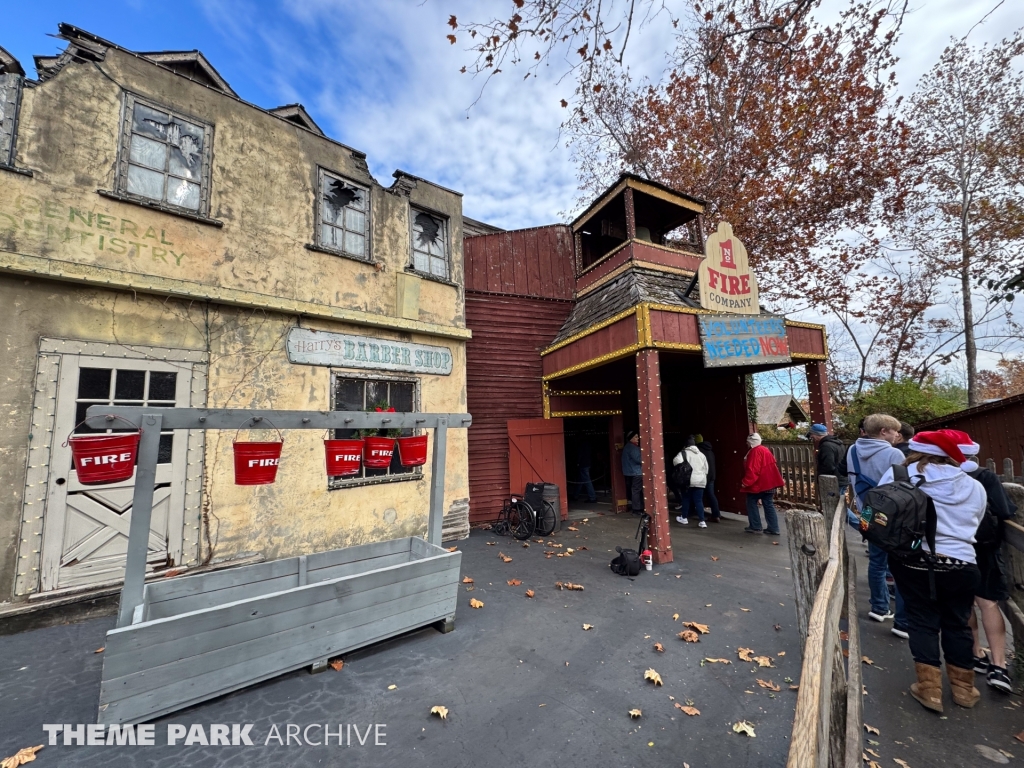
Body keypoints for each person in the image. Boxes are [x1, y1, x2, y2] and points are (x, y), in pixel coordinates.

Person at [877, 430, 987, 713]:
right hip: (960, 561)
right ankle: (963, 689)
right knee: (957, 621)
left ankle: (930, 689)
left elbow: (879, 511)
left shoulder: (899, 475)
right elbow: (976, 522)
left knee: (921, 619)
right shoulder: (973, 485)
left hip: (912, 559)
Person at [954, 433, 1016, 693]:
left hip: (955, 546)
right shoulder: (984, 477)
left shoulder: (945, 477)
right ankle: (998, 665)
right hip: (984, 547)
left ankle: (975, 652)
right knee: (988, 602)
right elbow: (1005, 510)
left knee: (965, 601)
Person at [848, 413, 908, 631]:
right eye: (894, 431)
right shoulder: (894, 453)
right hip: (892, 516)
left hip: (866, 511)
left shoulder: (852, 450)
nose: (897, 435)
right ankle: (902, 620)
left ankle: (879, 607)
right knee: (900, 564)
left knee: (876, 561)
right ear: (883, 431)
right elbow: (903, 487)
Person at [740, 433, 784, 535]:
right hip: (770, 483)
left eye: (747, 441)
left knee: (751, 503)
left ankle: (755, 526)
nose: (746, 443)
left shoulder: (754, 451)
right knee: (768, 504)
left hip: (759, 484)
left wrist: (746, 482)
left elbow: (753, 469)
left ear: (751, 442)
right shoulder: (765, 450)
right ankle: (773, 528)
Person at [674, 437, 710, 528]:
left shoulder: (683, 453)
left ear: (686, 445)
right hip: (700, 481)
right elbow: (706, 469)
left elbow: (676, 461)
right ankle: (702, 521)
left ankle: (684, 518)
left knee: (686, 499)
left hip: (688, 480)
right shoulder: (701, 455)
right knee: (699, 500)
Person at [809, 423, 848, 489]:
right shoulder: (837, 443)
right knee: (840, 495)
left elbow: (828, 466)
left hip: (832, 482)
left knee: (832, 496)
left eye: (812, 434)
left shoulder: (826, 446)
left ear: (817, 434)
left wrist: (822, 480)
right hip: (841, 479)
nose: (811, 436)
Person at [696, 438, 722, 522]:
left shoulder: (699, 452)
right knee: (711, 495)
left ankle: (699, 515)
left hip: (703, 476)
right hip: (711, 476)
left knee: (698, 496)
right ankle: (716, 515)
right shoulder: (711, 451)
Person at [622, 430, 643, 514]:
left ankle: (636, 506)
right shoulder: (633, 448)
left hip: (629, 472)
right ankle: (637, 508)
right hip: (636, 472)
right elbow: (639, 459)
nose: (638, 438)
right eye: (636, 437)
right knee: (636, 490)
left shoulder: (627, 447)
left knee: (633, 490)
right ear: (631, 438)